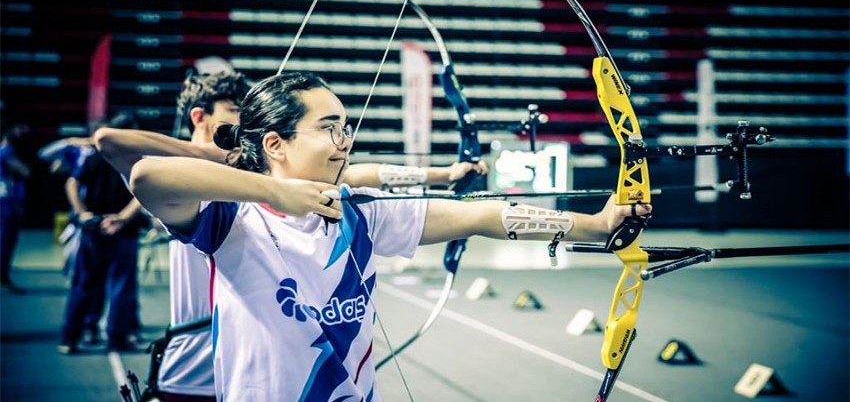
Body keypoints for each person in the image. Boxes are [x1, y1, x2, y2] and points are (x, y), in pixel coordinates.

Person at [119, 72, 649, 401]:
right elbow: (147, 176)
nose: (343, 141)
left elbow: (482, 216)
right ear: (276, 144)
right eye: (328, 127)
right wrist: (280, 195)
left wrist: (595, 224)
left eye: (345, 127)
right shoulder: (231, 222)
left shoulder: (365, 216)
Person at [94, 70, 485, 401]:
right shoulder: (211, 193)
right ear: (201, 117)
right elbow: (113, 145)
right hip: (194, 362)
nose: (241, 119)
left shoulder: (264, 175)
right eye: (233, 112)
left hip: (252, 358)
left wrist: (440, 175)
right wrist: (228, 161)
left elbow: (359, 174)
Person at [59, 113, 148, 354]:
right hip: (122, 231)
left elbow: (72, 183)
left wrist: (82, 213)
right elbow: (143, 194)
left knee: (85, 283)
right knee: (120, 285)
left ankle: (70, 337)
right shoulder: (135, 160)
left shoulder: (96, 156)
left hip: (95, 227)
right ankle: (116, 337)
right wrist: (121, 219)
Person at [0, 122, 31, 293]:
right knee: (5, 240)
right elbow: (24, 171)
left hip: (11, 202)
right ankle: (3, 274)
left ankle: (4, 271)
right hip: (7, 203)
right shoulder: (6, 152)